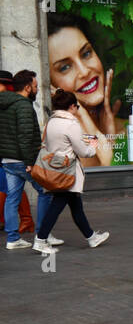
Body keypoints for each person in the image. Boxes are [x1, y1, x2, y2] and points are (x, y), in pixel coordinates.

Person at [32, 89, 110, 254]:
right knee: (58, 205)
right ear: (72, 106)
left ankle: (91, 237)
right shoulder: (71, 124)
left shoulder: (51, 122)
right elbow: (83, 152)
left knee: (76, 206)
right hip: (67, 172)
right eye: (77, 107)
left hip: (55, 168)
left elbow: (55, 143)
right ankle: (40, 239)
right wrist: (93, 147)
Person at [47, 12, 121, 167]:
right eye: (65, 67)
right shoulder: (61, 148)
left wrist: (108, 140)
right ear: (50, 85)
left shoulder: (130, 130)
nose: (84, 71)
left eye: (86, 53)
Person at [2, 70, 53, 249]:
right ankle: (43, 235)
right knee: (46, 192)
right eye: (35, 86)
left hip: (7, 160)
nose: (37, 89)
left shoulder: (4, 104)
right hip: (23, 161)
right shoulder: (23, 105)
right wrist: (30, 163)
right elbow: (25, 136)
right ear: (27, 87)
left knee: (12, 198)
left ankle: (13, 239)